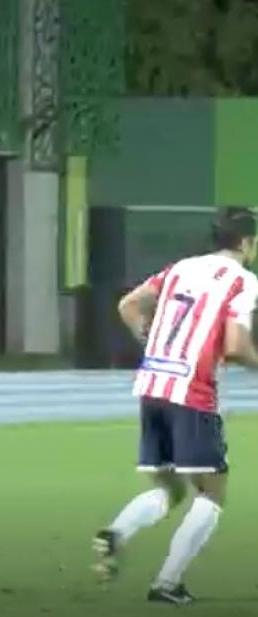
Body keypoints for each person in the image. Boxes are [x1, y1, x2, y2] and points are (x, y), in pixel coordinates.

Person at [93, 207, 258, 605]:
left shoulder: (180, 268)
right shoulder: (243, 281)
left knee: (170, 489)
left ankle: (115, 534)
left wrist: (150, 342)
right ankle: (167, 583)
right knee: (212, 492)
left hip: (153, 384)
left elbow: (129, 305)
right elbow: (236, 346)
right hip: (193, 391)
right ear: (247, 243)